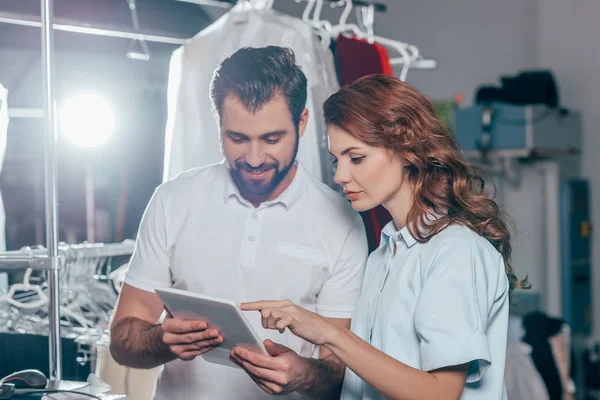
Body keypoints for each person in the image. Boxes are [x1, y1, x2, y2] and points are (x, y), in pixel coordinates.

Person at [235, 74, 531, 400]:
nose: (340, 175)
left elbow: (440, 394)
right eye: (337, 159)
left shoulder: (455, 251)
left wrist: (331, 335)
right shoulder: (383, 255)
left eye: (356, 158)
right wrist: (302, 370)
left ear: (406, 150)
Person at [109, 46, 368, 400]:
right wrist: (161, 339)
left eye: (272, 139)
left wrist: (302, 375)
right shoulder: (173, 200)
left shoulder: (342, 222)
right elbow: (123, 342)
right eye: (237, 138)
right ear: (219, 125)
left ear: (302, 123)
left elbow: (343, 370)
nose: (255, 158)